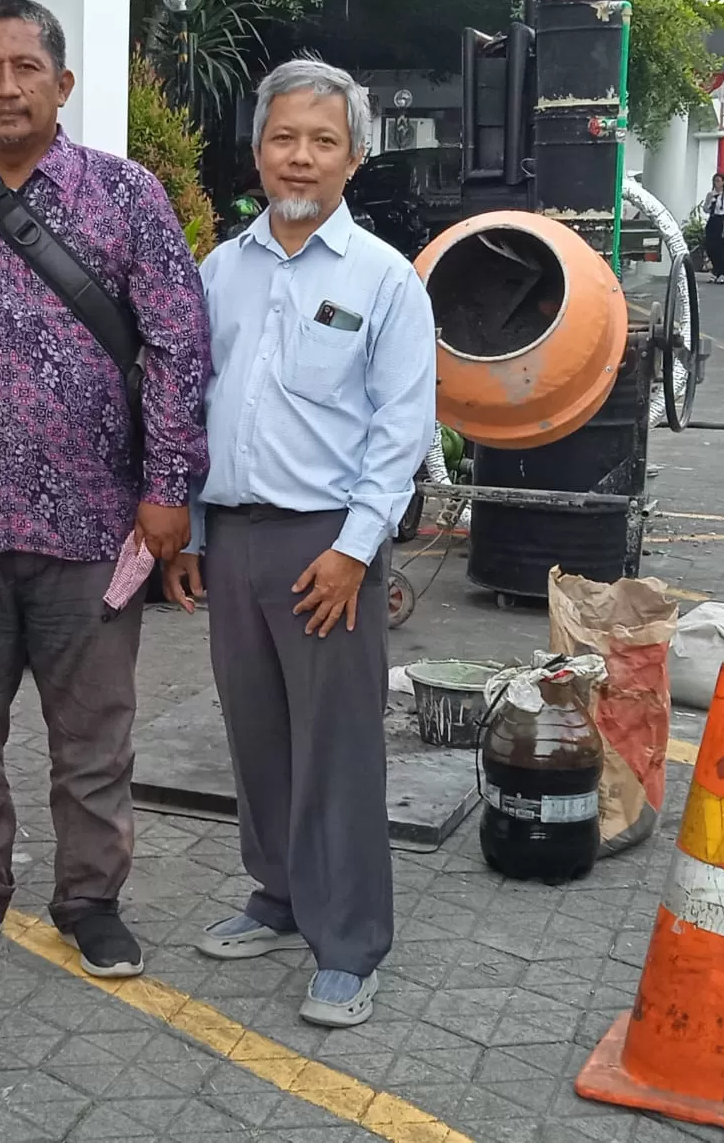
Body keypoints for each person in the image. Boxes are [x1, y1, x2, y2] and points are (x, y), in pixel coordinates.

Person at [0, 0, 210, 979]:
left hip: (95, 524)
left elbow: (177, 343)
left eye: (27, 67)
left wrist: (167, 489)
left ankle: (89, 897)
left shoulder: (126, 196)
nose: (8, 86)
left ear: (63, 84)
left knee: (95, 735)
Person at [161, 57, 436, 1028]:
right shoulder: (216, 272)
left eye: (322, 141)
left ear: (352, 157)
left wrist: (357, 549)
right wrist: (189, 529)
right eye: (285, 138)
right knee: (259, 737)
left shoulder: (385, 282)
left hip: (329, 547)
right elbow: (189, 407)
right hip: (233, 540)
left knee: (338, 748)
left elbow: (400, 429)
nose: (301, 157)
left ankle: (350, 942)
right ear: (258, 148)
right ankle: (276, 896)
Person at [701, 173, 724, 283]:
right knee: (709, 246)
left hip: (721, 220)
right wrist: (710, 203)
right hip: (712, 219)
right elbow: (705, 209)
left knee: (719, 248)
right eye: (715, 181)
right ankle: (715, 270)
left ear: (723, 182)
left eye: (718, 181)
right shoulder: (710, 194)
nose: (716, 183)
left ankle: (721, 272)